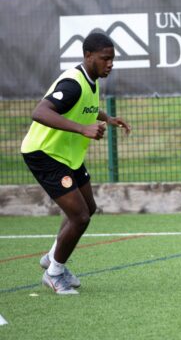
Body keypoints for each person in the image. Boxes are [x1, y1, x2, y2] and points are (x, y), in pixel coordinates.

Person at [21, 32, 131, 295]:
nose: (110, 64)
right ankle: (54, 273)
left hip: (66, 156)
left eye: (112, 59)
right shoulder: (73, 83)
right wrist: (82, 129)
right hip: (45, 154)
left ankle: (52, 257)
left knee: (88, 208)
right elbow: (40, 112)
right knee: (79, 217)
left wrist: (109, 117)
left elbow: (87, 108)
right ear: (88, 56)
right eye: (105, 59)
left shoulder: (90, 82)